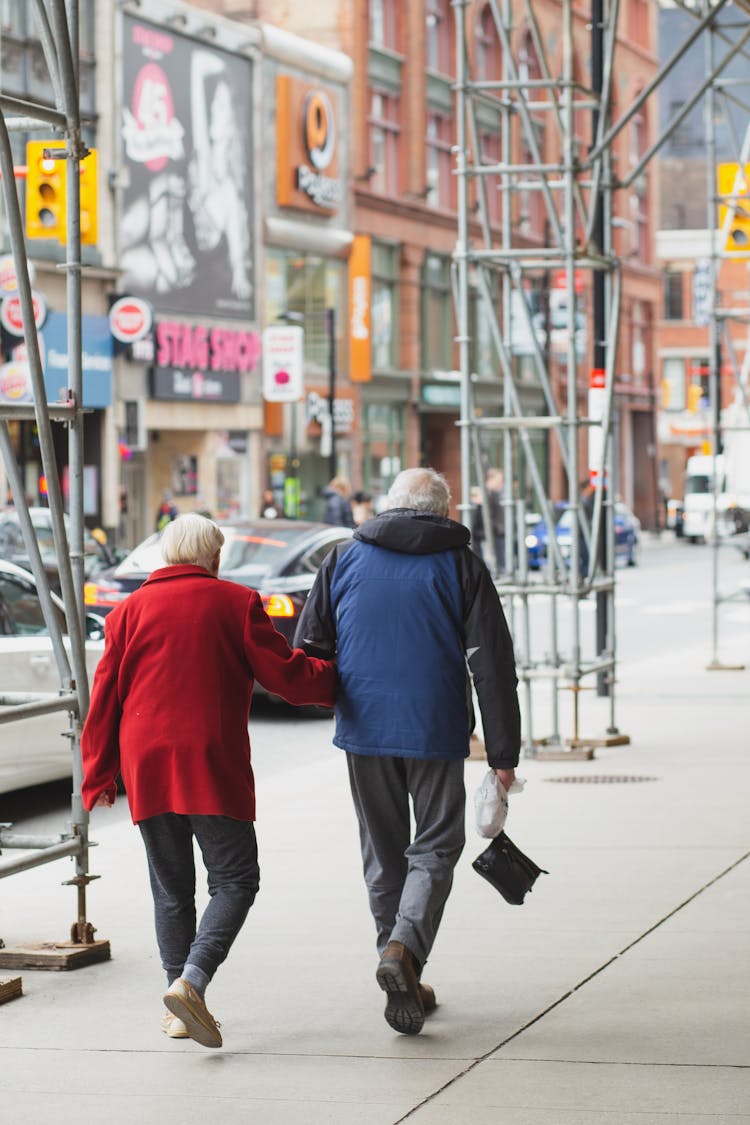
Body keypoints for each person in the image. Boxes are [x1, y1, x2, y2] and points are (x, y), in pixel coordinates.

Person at [80, 514, 336, 1049]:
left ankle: (178, 1005)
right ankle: (190, 983)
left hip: (146, 763)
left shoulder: (127, 612)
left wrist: (98, 772)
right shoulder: (236, 603)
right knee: (236, 880)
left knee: (171, 890)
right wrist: (336, 679)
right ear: (213, 558)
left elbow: (103, 697)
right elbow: (284, 675)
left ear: (166, 556)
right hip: (209, 762)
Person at [294, 467, 520, 1035]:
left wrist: (341, 699)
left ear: (388, 506)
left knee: (382, 852)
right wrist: (503, 753)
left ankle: (398, 960)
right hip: (435, 727)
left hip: (364, 728)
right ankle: (403, 951)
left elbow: (309, 647)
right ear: (443, 512)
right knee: (437, 847)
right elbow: (492, 666)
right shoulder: (461, 563)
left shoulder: (343, 558)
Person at [471, 467, 506, 573]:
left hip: (494, 532)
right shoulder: (480, 495)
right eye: (499, 481)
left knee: (498, 561)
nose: (501, 484)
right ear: (490, 479)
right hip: (483, 533)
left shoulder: (494, 494)